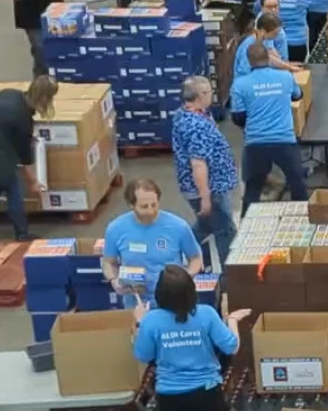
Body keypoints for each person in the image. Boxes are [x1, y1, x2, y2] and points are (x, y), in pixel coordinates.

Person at [133, 266, 243, 411]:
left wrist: (140, 323)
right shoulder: (206, 314)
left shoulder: (151, 320)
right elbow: (232, 347)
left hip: (170, 395)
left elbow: (143, 355)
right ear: (191, 290)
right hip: (207, 392)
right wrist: (233, 320)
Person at [171, 77, 239, 271]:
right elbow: (198, 164)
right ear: (199, 96)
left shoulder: (187, 114)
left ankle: (176, 250)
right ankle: (231, 276)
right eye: (209, 92)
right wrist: (205, 197)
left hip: (210, 186)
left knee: (207, 225)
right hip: (211, 189)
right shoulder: (196, 126)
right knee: (225, 231)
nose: (212, 95)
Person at [102, 179, 203, 309]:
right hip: (137, 302)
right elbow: (108, 262)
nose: (151, 211)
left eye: (154, 205)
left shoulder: (178, 226)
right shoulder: (115, 229)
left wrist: (183, 280)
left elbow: (196, 258)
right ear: (131, 205)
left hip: (173, 302)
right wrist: (114, 280)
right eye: (144, 206)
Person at [0, 75, 55, 241]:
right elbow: (24, 155)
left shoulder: (10, 94)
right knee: (13, 187)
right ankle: (22, 234)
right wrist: (33, 180)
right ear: (43, 97)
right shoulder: (22, 119)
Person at [232, 43, 309, 206]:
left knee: (253, 187)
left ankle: (247, 226)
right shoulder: (286, 77)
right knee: (297, 183)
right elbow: (297, 96)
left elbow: (238, 118)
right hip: (285, 140)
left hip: (256, 143)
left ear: (249, 61)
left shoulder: (240, 85)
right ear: (268, 58)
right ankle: (303, 220)